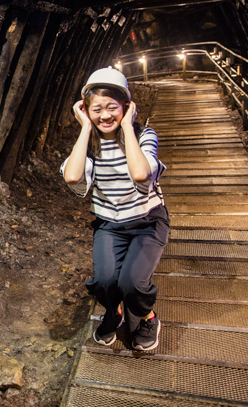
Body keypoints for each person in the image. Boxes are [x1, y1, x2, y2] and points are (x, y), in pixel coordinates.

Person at [60, 67, 169, 351]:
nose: (105, 115)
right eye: (97, 109)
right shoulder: (88, 143)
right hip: (110, 225)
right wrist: (85, 128)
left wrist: (127, 129)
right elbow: (72, 177)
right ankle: (113, 313)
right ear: (84, 109)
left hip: (147, 221)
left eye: (113, 107)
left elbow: (142, 174)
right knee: (106, 282)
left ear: (127, 107)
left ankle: (147, 317)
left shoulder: (144, 136)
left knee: (132, 283)